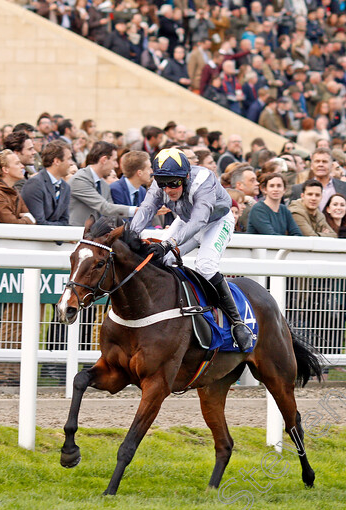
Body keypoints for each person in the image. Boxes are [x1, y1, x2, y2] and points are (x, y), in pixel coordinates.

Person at [130, 147, 253, 352]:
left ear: (186, 176)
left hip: (216, 222)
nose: (168, 190)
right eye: (163, 184)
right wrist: (131, 236)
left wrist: (168, 244)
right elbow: (147, 209)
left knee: (205, 265)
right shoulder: (160, 184)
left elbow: (200, 220)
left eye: (174, 183)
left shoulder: (203, 180)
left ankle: (237, 323)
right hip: (187, 220)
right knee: (160, 260)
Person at [69, 141, 135, 225]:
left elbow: (112, 215)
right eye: (114, 160)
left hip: (94, 235)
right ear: (104, 160)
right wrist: (136, 210)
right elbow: (105, 207)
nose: (116, 165)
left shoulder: (104, 185)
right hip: (74, 235)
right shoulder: (79, 179)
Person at [21, 141, 73, 226]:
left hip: (58, 237)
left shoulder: (65, 187)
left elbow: (65, 220)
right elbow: (39, 223)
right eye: (69, 159)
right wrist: (62, 227)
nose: (72, 163)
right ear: (56, 161)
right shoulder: (35, 184)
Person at [0, 150, 35, 224]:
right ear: (5, 169)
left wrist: (28, 218)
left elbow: (29, 216)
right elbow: (12, 225)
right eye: (17, 163)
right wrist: (28, 219)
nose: (22, 166)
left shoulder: (13, 190)